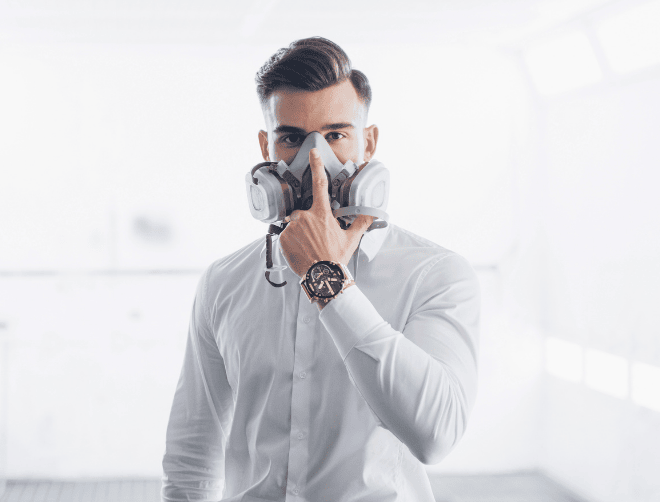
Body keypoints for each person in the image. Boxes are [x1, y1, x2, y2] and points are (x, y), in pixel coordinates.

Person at [162, 37, 480, 502]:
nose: (315, 161)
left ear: (367, 143)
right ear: (265, 147)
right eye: (291, 137)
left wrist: (327, 279)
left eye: (335, 135)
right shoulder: (224, 283)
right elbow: (192, 456)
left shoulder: (436, 276)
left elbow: (437, 433)